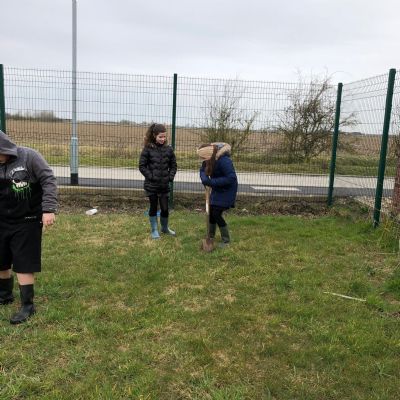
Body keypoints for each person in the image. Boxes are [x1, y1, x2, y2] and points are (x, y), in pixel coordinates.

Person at [0, 130, 57, 324]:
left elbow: (48, 180)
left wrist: (48, 209)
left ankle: (27, 305)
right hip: (2, 219)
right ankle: (4, 295)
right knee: (1, 258)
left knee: (23, 260)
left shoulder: (29, 156)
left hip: (27, 219)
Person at [139, 123, 177, 239]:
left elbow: (173, 165)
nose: (162, 139)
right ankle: (154, 230)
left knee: (165, 209)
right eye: (160, 137)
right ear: (154, 135)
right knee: (153, 207)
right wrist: (151, 176)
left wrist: (170, 177)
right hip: (151, 186)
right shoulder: (147, 149)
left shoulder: (169, 149)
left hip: (164, 186)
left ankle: (165, 228)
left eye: (164, 136)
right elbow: (142, 166)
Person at [198, 142, 238, 247]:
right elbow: (202, 170)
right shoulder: (208, 159)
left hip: (227, 190)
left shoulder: (224, 160)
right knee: (211, 212)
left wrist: (211, 182)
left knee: (216, 213)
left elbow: (231, 178)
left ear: (208, 154)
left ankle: (226, 240)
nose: (202, 160)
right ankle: (210, 236)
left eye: (203, 157)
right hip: (217, 188)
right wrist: (204, 178)